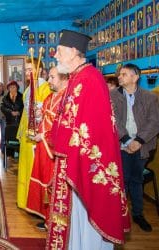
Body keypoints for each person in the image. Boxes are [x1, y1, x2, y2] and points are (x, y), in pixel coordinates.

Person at [48, 29, 130, 249]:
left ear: (74, 51)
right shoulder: (79, 77)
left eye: (60, 51)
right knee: (76, 218)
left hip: (84, 163)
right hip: (74, 160)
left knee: (87, 217)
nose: (55, 55)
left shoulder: (89, 79)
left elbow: (89, 130)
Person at [110, 63, 159, 232]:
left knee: (136, 181)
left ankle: (138, 214)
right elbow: (113, 120)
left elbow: (154, 122)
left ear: (135, 77)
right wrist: (126, 140)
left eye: (124, 74)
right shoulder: (112, 95)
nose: (119, 77)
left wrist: (138, 141)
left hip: (142, 146)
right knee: (121, 181)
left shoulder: (150, 97)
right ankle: (118, 215)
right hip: (120, 145)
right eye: (120, 74)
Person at [25, 67, 68, 230]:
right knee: (43, 180)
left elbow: (63, 127)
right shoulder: (50, 97)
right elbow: (45, 117)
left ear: (64, 78)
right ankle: (47, 218)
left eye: (52, 77)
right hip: (43, 147)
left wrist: (43, 136)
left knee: (53, 184)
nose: (49, 81)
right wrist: (38, 113)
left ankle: (56, 221)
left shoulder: (68, 99)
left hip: (53, 149)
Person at [16, 58, 50, 210]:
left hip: (37, 137)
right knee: (25, 167)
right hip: (27, 136)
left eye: (31, 69)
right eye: (26, 69)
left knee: (35, 170)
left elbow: (46, 114)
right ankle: (24, 201)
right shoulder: (29, 88)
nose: (27, 72)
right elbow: (25, 114)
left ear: (40, 70)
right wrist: (21, 132)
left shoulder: (45, 88)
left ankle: (35, 204)